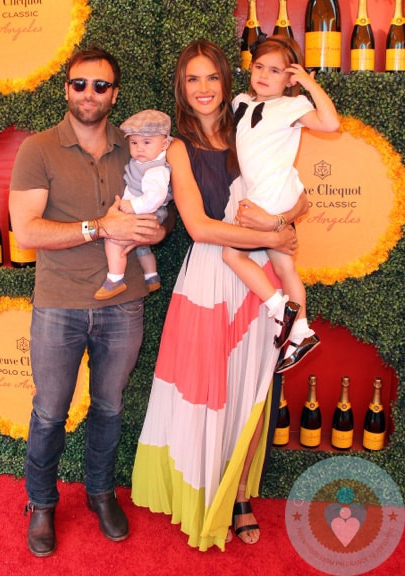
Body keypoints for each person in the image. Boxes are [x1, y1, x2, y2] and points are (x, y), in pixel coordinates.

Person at [131, 39, 308, 551]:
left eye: (211, 78)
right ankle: (208, 490)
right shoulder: (178, 147)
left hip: (260, 276)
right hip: (211, 276)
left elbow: (301, 197)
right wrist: (273, 237)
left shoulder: (256, 128)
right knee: (211, 389)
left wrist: (284, 221)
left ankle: (241, 495)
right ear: (182, 89)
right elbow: (200, 227)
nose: (204, 89)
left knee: (253, 387)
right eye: (193, 79)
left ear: (227, 83)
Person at [9, 46, 171, 558]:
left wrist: (152, 228)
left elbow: (160, 216)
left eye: (101, 86)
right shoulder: (39, 148)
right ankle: (41, 503)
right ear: (66, 89)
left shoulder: (136, 148)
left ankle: (101, 493)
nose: (89, 94)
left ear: (114, 94)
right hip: (58, 304)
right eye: (80, 84)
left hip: (122, 305)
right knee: (50, 411)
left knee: (109, 407)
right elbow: (26, 230)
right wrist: (101, 226)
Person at [223, 35, 340, 373]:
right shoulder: (240, 101)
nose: (263, 74)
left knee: (232, 254)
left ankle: (279, 308)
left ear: (289, 78)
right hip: (274, 193)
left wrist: (307, 84)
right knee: (285, 267)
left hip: (270, 195)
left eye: (275, 71)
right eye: (259, 66)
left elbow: (331, 123)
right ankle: (301, 333)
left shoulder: (294, 105)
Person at [94, 109, 172, 300]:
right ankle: (151, 276)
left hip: (145, 211)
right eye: (134, 143)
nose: (139, 149)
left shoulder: (155, 170)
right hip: (143, 210)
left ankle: (115, 279)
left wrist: (133, 207)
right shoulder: (143, 162)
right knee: (142, 247)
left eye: (147, 142)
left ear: (165, 144)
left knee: (113, 238)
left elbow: (156, 197)